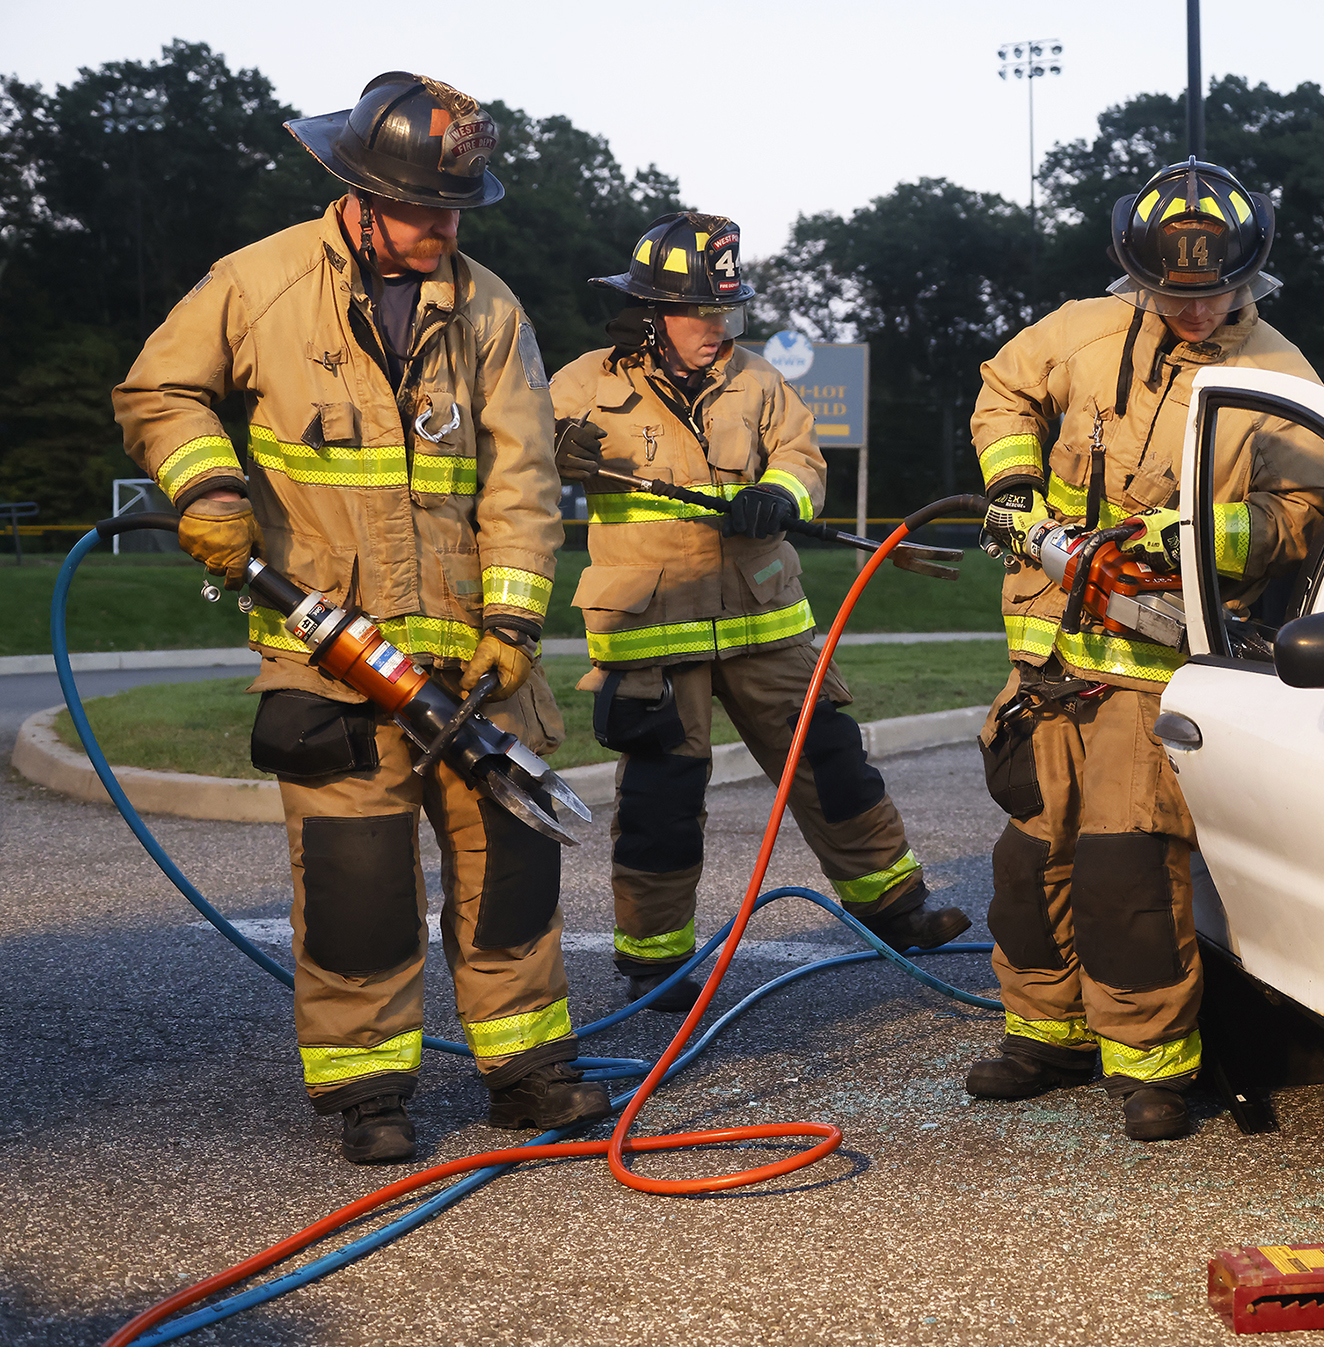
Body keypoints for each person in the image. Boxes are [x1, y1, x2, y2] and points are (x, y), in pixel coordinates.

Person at [112, 72, 607, 1165]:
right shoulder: (258, 283)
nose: (445, 229)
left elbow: (522, 479)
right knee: (357, 882)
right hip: (327, 648)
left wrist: (514, 624)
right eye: (427, 208)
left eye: (459, 210)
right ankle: (370, 1088)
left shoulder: (492, 309)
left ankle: (527, 1068)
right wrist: (209, 490)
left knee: (511, 869)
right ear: (360, 193)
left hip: (480, 661)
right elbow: (160, 391)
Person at [967, 160, 1324, 1141]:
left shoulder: (1279, 377)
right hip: (1046, 661)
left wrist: (1187, 544)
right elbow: (1003, 392)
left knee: (1127, 872)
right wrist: (1013, 491)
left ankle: (1154, 1065)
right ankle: (1045, 1034)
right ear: (1139, 276)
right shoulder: (1081, 332)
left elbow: (1301, 512)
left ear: (1246, 274)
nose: (1191, 308)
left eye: (1211, 291)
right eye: (1172, 293)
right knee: (1027, 865)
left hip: (1154, 662)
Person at [549, 211, 969, 1011]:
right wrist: (551, 451)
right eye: (704, 312)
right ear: (649, 313)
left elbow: (804, 461)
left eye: (729, 313)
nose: (720, 329)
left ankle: (897, 908)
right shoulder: (580, 386)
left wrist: (777, 496)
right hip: (652, 632)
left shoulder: (759, 382)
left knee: (833, 765)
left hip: (766, 622)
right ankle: (655, 964)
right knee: (661, 804)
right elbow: (511, 455)